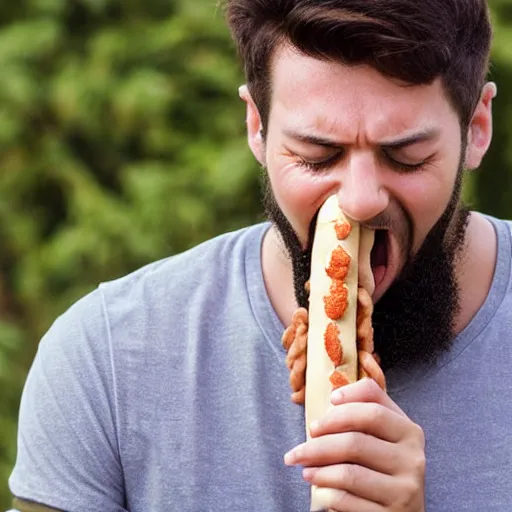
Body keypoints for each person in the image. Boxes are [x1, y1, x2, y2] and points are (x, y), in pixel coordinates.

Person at [8, 0, 512, 510]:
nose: (360, 199)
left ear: (476, 129)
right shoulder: (105, 362)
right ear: (257, 127)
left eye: (407, 157)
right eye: (317, 156)